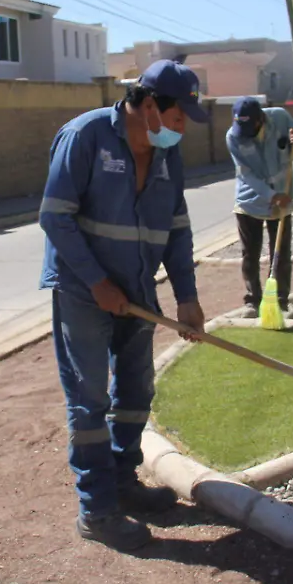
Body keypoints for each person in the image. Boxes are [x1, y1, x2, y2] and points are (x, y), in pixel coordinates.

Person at [39, 59, 208, 550]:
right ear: (149, 105)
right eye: (178, 117)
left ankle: (123, 480)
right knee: (90, 400)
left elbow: (176, 228)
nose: (181, 128)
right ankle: (96, 509)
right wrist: (97, 283)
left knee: (136, 391)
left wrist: (187, 297)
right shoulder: (85, 136)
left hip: (137, 291)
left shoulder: (167, 154)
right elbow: (55, 217)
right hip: (82, 292)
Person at [226, 97, 293, 317]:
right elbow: (246, 174)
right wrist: (271, 196)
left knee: (280, 253)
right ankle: (253, 301)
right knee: (250, 254)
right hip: (251, 200)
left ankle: (280, 302)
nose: (246, 134)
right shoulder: (233, 137)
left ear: (261, 118)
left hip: (284, 193)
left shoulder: (280, 117)